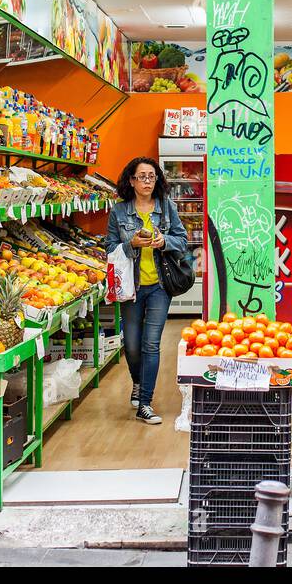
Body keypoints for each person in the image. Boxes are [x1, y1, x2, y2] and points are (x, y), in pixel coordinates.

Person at [104, 157, 189, 424]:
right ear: (131, 180)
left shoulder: (167, 208)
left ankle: (145, 403)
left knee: (151, 344)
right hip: (131, 286)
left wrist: (164, 241)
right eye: (142, 176)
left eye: (151, 176)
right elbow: (109, 249)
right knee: (131, 345)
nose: (147, 181)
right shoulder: (119, 212)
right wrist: (132, 244)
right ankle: (138, 382)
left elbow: (183, 240)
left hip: (160, 287)